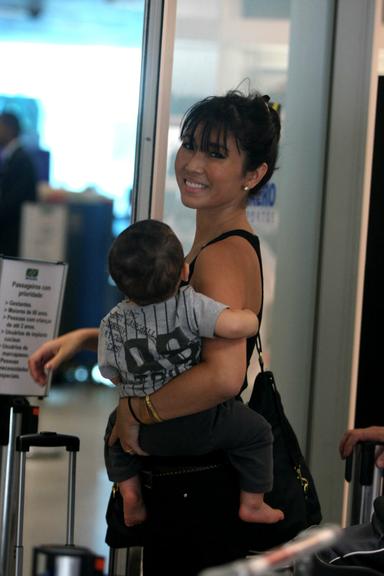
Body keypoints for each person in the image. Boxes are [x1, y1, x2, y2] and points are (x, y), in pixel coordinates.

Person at [29, 89, 282, 574]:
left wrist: (135, 410)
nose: (191, 163)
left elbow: (223, 377)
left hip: (198, 486)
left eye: (215, 153)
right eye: (189, 144)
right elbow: (169, 336)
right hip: (189, 477)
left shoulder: (223, 255)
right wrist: (84, 339)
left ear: (254, 175)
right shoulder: (206, 244)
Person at [99, 218, 284, 527]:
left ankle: (131, 497)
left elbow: (110, 372)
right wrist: (252, 318)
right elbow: (233, 325)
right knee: (257, 432)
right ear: (185, 271)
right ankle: (253, 503)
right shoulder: (190, 305)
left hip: (145, 434)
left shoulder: (111, 323)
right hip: (202, 422)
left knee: (113, 434)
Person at [0, 112, 37, 257]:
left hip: (14, 236)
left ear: (10, 129)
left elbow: (14, 200)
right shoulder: (11, 157)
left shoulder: (21, 160)